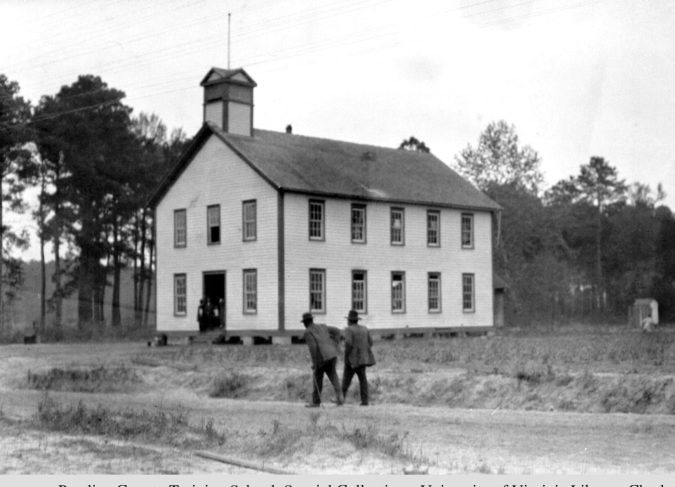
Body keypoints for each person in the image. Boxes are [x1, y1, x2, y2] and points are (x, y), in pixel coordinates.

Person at [301, 312, 344, 407]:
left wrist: (315, 363)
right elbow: (337, 331)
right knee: (333, 376)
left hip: (322, 358)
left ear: (305, 323)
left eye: (304, 323)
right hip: (332, 354)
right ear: (312, 320)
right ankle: (340, 398)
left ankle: (316, 402)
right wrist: (335, 344)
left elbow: (313, 348)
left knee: (317, 377)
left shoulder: (308, 332)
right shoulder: (322, 326)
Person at [341, 309, 375, 406]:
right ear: (357, 320)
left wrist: (346, 355)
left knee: (346, 379)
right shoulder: (364, 329)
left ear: (349, 320)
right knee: (363, 379)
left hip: (352, 358)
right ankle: (365, 401)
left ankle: (340, 399)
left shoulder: (348, 329)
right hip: (363, 358)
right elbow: (371, 342)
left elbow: (348, 343)